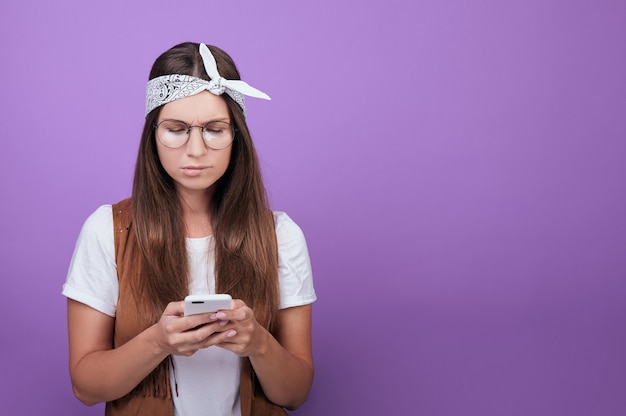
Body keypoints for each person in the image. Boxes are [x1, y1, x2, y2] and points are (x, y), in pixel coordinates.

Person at [62, 42, 316, 416]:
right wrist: (157, 342)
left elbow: (295, 394)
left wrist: (259, 343)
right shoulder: (109, 230)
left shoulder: (281, 235)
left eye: (214, 129)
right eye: (176, 129)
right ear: (153, 134)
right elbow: (85, 386)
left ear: (237, 136)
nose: (195, 149)